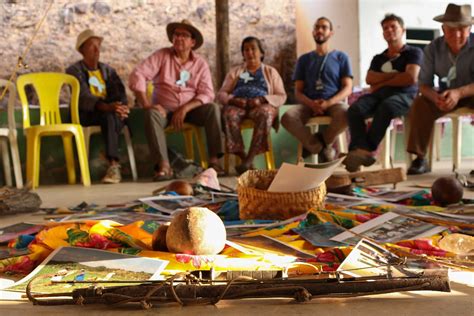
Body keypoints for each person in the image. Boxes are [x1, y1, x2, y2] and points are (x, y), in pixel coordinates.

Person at [129, 20, 224, 181]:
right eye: (176, 34)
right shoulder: (162, 55)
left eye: (184, 35)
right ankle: (164, 166)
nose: (179, 38)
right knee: (151, 114)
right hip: (164, 110)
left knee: (212, 108)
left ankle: (214, 162)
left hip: (192, 111)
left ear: (192, 42)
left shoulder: (200, 63)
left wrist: (185, 108)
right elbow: (138, 74)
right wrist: (146, 104)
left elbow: (207, 93)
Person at [343, 14, 422, 172]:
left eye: (393, 26)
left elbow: (410, 77)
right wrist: (396, 75)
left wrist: (382, 81)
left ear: (403, 30)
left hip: (405, 95)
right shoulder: (378, 58)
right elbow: (369, 78)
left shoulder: (414, 52)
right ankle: (360, 150)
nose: (389, 30)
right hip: (378, 95)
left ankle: (364, 150)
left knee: (388, 106)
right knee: (354, 109)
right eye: (385, 28)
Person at [406, 3, 474, 175]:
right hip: (444, 94)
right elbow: (423, 84)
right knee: (421, 103)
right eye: (451, 28)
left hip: (470, 92)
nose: (457, 34)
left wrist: (459, 93)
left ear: (470, 28)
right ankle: (420, 159)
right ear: (443, 29)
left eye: (462, 28)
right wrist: (435, 97)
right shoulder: (432, 49)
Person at [281, 16, 353, 162]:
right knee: (287, 117)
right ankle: (321, 148)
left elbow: (348, 88)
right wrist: (311, 104)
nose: (319, 30)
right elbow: (298, 92)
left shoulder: (341, 57)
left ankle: (318, 143)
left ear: (331, 32)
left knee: (347, 113)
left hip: (333, 103)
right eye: (316, 27)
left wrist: (328, 103)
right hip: (309, 104)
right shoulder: (304, 60)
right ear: (313, 32)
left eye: (324, 27)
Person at [66, 29, 130, 184]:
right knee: (110, 115)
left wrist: (121, 107)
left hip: (110, 113)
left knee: (113, 116)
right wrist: (108, 107)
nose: (96, 50)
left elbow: (119, 92)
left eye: (98, 46)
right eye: (91, 46)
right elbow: (83, 97)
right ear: (82, 50)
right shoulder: (74, 71)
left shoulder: (108, 70)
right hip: (87, 113)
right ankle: (114, 164)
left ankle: (114, 167)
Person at [217, 36, 287, 175]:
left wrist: (262, 99)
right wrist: (233, 100)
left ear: (261, 53)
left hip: (260, 106)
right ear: (243, 54)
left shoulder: (270, 72)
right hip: (238, 105)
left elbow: (281, 96)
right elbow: (222, 93)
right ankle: (244, 157)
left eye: (253, 49)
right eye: (246, 50)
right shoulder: (235, 72)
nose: (249, 52)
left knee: (266, 113)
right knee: (228, 113)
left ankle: (249, 159)